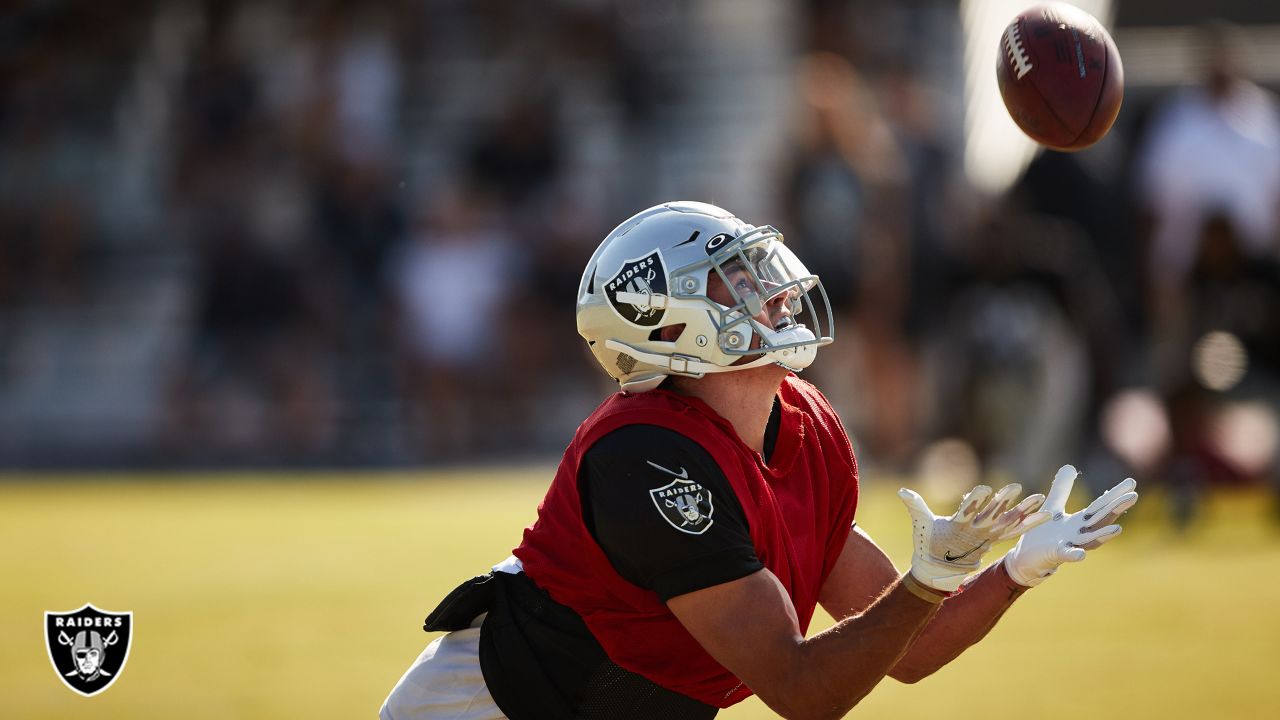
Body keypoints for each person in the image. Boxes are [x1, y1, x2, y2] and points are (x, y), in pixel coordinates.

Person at [380, 201, 1139, 720]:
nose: (772, 291)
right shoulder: (647, 457)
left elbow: (912, 649)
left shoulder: (803, 421)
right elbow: (802, 688)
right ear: (669, 321)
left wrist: (1012, 574)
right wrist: (925, 585)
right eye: (735, 280)